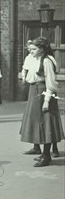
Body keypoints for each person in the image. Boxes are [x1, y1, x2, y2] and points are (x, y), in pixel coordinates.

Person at [20, 37, 64, 167]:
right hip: (35, 91)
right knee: (37, 123)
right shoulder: (36, 59)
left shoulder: (47, 61)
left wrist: (46, 101)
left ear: (42, 49)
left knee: (46, 124)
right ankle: (41, 151)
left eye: (34, 49)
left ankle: (46, 156)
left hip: (43, 93)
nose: (31, 51)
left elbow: (51, 83)